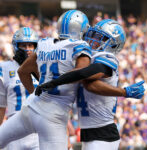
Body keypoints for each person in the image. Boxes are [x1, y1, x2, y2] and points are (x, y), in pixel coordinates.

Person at [34, 19, 145, 150]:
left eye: (100, 38)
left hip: (103, 133)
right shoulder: (85, 57)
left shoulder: (107, 58)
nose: (93, 39)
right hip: (89, 133)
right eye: (93, 35)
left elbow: (84, 76)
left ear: (114, 45)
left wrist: (54, 81)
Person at [0, 10, 91, 150]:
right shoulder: (79, 47)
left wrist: (35, 92)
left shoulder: (45, 43)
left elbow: (22, 71)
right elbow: (81, 72)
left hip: (30, 108)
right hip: (52, 116)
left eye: (30, 45)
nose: (27, 49)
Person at [0, 27, 39, 149]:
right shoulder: (5, 67)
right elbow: (1, 106)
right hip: (14, 127)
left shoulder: (42, 68)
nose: (28, 49)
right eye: (23, 45)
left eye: (30, 45)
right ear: (16, 46)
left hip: (38, 128)